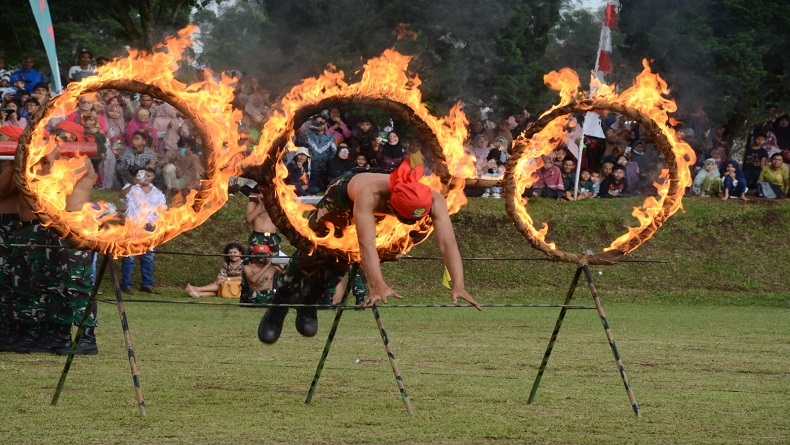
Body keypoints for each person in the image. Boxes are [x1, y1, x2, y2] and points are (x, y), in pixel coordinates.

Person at [258, 159, 481, 344]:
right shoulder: (370, 194)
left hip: (373, 210)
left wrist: (458, 284)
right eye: (405, 219)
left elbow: (448, 244)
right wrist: (378, 284)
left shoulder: (433, 199)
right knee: (314, 250)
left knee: (343, 258)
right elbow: (366, 244)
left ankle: (310, 300)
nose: (410, 224)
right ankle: (280, 302)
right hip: (341, 201)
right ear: (391, 205)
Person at [119, 168, 167, 294]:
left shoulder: (158, 193)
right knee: (129, 256)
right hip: (133, 226)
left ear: (153, 177)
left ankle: (146, 284)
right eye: (143, 175)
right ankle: (126, 284)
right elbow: (122, 196)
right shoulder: (131, 187)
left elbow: (162, 210)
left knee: (148, 257)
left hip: (149, 227)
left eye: (148, 175)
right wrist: (134, 183)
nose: (145, 178)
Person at [302, 116, 336, 193]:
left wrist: (327, 161)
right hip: (311, 167)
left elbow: (333, 152)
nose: (320, 125)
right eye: (317, 123)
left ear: (325, 124)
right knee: (313, 187)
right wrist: (307, 128)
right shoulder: (309, 135)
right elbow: (300, 141)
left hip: (325, 167)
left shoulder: (330, 137)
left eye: (322, 123)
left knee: (323, 186)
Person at [245, 189, 281, 255]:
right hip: (258, 236)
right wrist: (260, 204)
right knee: (256, 258)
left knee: (274, 258)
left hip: (272, 236)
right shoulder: (252, 204)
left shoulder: (276, 204)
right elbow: (249, 219)